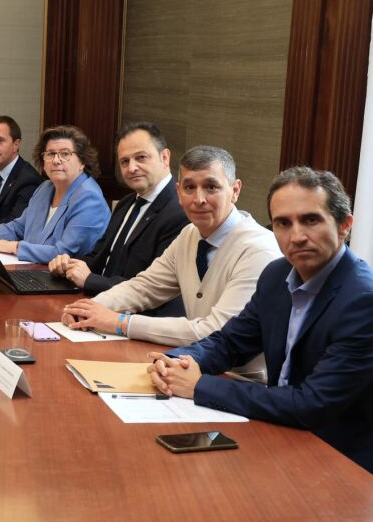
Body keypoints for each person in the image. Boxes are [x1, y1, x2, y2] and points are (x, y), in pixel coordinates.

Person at [148, 167, 372, 472]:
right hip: (278, 432)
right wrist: (177, 362)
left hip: (337, 458)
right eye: (283, 223)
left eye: (311, 220)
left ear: (344, 225)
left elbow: (312, 403)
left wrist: (199, 386)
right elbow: (230, 342)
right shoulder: (276, 275)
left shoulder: (363, 300)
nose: (297, 236)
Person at [62, 145, 280, 381]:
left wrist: (121, 322)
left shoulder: (258, 250)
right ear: (178, 192)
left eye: (211, 187)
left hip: (241, 381)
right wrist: (89, 309)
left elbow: (216, 331)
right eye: (189, 187)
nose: (199, 199)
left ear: (234, 190)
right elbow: (145, 287)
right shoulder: (189, 234)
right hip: (190, 368)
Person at [48, 122, 188, 307]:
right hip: (96, 303)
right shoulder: (126, 203)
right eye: (125, 161)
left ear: (165, 157)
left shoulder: (180, 212)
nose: (132, 168)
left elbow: (153, 288)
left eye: (141, 157)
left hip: (135, 315)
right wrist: (68, 265)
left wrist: (90, 280)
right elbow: (98, 256)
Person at [0, 125, 109, 264]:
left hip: (67, 283)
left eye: (65, 154)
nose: (56, 160)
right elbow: (17, 227)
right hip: (34, 272)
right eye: (50, 154)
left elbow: (64, 253)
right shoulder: (45, 188)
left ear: (82, 162)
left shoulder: (89, 198)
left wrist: (16, 247)